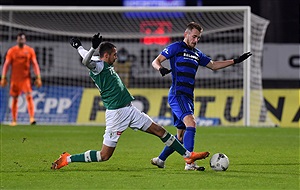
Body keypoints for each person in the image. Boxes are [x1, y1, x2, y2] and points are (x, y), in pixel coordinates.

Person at [51, 33, 210, 170]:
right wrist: (92, 47)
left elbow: (84, 54)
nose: (116, 57)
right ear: (106, 55)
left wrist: (78, 46)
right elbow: (86, 61)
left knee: (159, 131)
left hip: (129, 110)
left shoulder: (99, 61)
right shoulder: (97, 66)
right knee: (104, 155)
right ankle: (68, 158)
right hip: (116, 114)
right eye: (114, 54)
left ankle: (188, 156)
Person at [151, 22, 252, 170]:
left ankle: (160, 159)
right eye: (194, 37)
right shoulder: (175, 47)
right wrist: (160, 68)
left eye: (198, 38)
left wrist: (235, 61)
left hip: (188, 96)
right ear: (186, 34)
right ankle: (190, 163)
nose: (196, 40)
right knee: (191, 123)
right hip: (177, 94)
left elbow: (214, 65)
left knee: (180, 136)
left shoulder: (197, 54)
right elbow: (156, 60)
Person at [0, 32, 42, 126]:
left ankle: (32, 118)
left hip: (25, 79)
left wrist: (38, 77)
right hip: (14, 80)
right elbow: (6, 64)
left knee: (29, 96)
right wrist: (3, 77)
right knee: (14, 99)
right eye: (19, 39)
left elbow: (35, 64)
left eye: (22, 39)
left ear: (25, 40)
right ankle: (14, 120)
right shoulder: (12, 51)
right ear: (17, 40)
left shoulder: (30, 50)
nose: (21, 40)